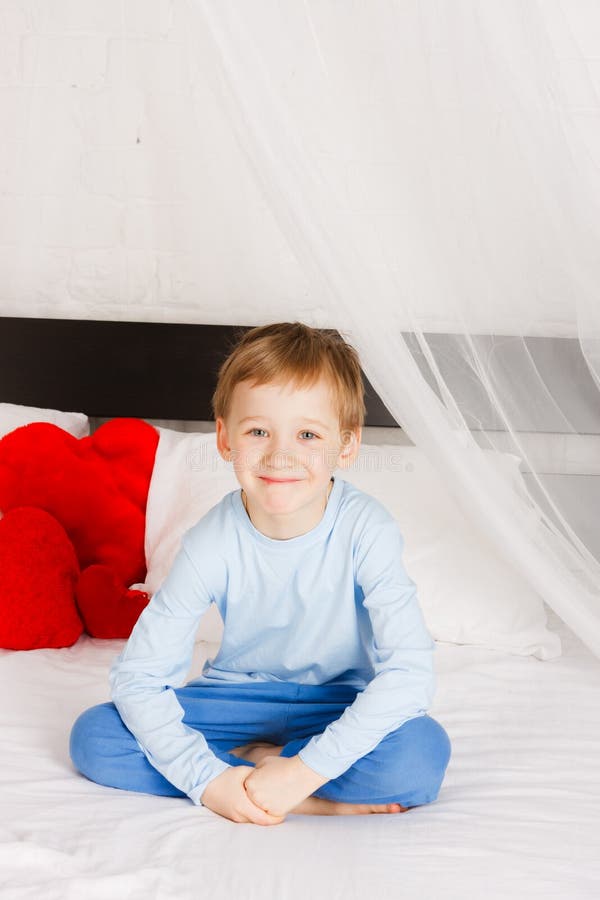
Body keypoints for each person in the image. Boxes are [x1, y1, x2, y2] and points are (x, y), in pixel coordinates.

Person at [69, 321, 451, 826]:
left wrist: (305, 768)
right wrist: (205, 779)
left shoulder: (367, 528)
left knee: (420, 753)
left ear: (347, 446)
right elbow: (139, 677)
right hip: (233, 701)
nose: (280, 455)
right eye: (258, 431)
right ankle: (284, 790)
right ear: (226, 438)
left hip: (336, 702)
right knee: (96, 737)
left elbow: (409, 674)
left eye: (308, 434)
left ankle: (279, 775)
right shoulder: (213, 539)